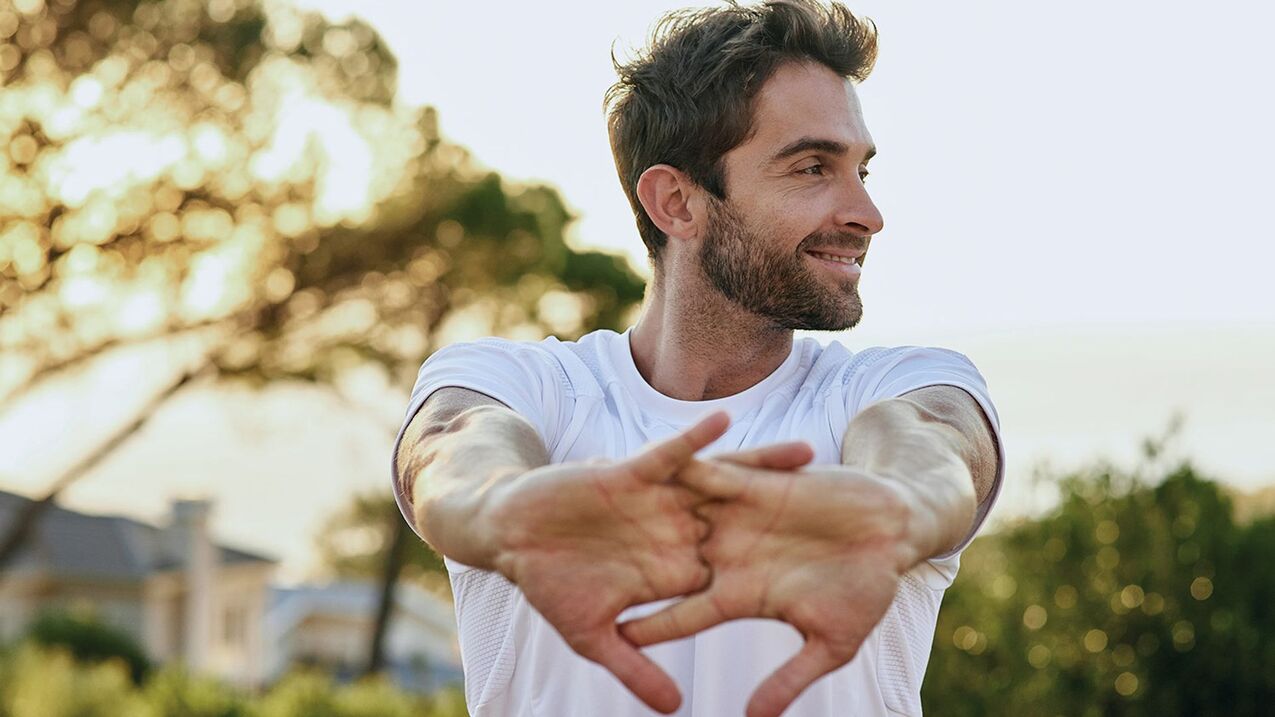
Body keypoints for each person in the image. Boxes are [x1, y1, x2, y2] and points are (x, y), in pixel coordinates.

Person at [392, 1, 1005, 715]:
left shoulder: (894, 385)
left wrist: (900, 507)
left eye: (861, 170)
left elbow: (933, 441)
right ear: (676, 203)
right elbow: (452, 446)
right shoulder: (521, 385)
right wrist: (501, 509)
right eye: (812, 167)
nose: (866, 213)